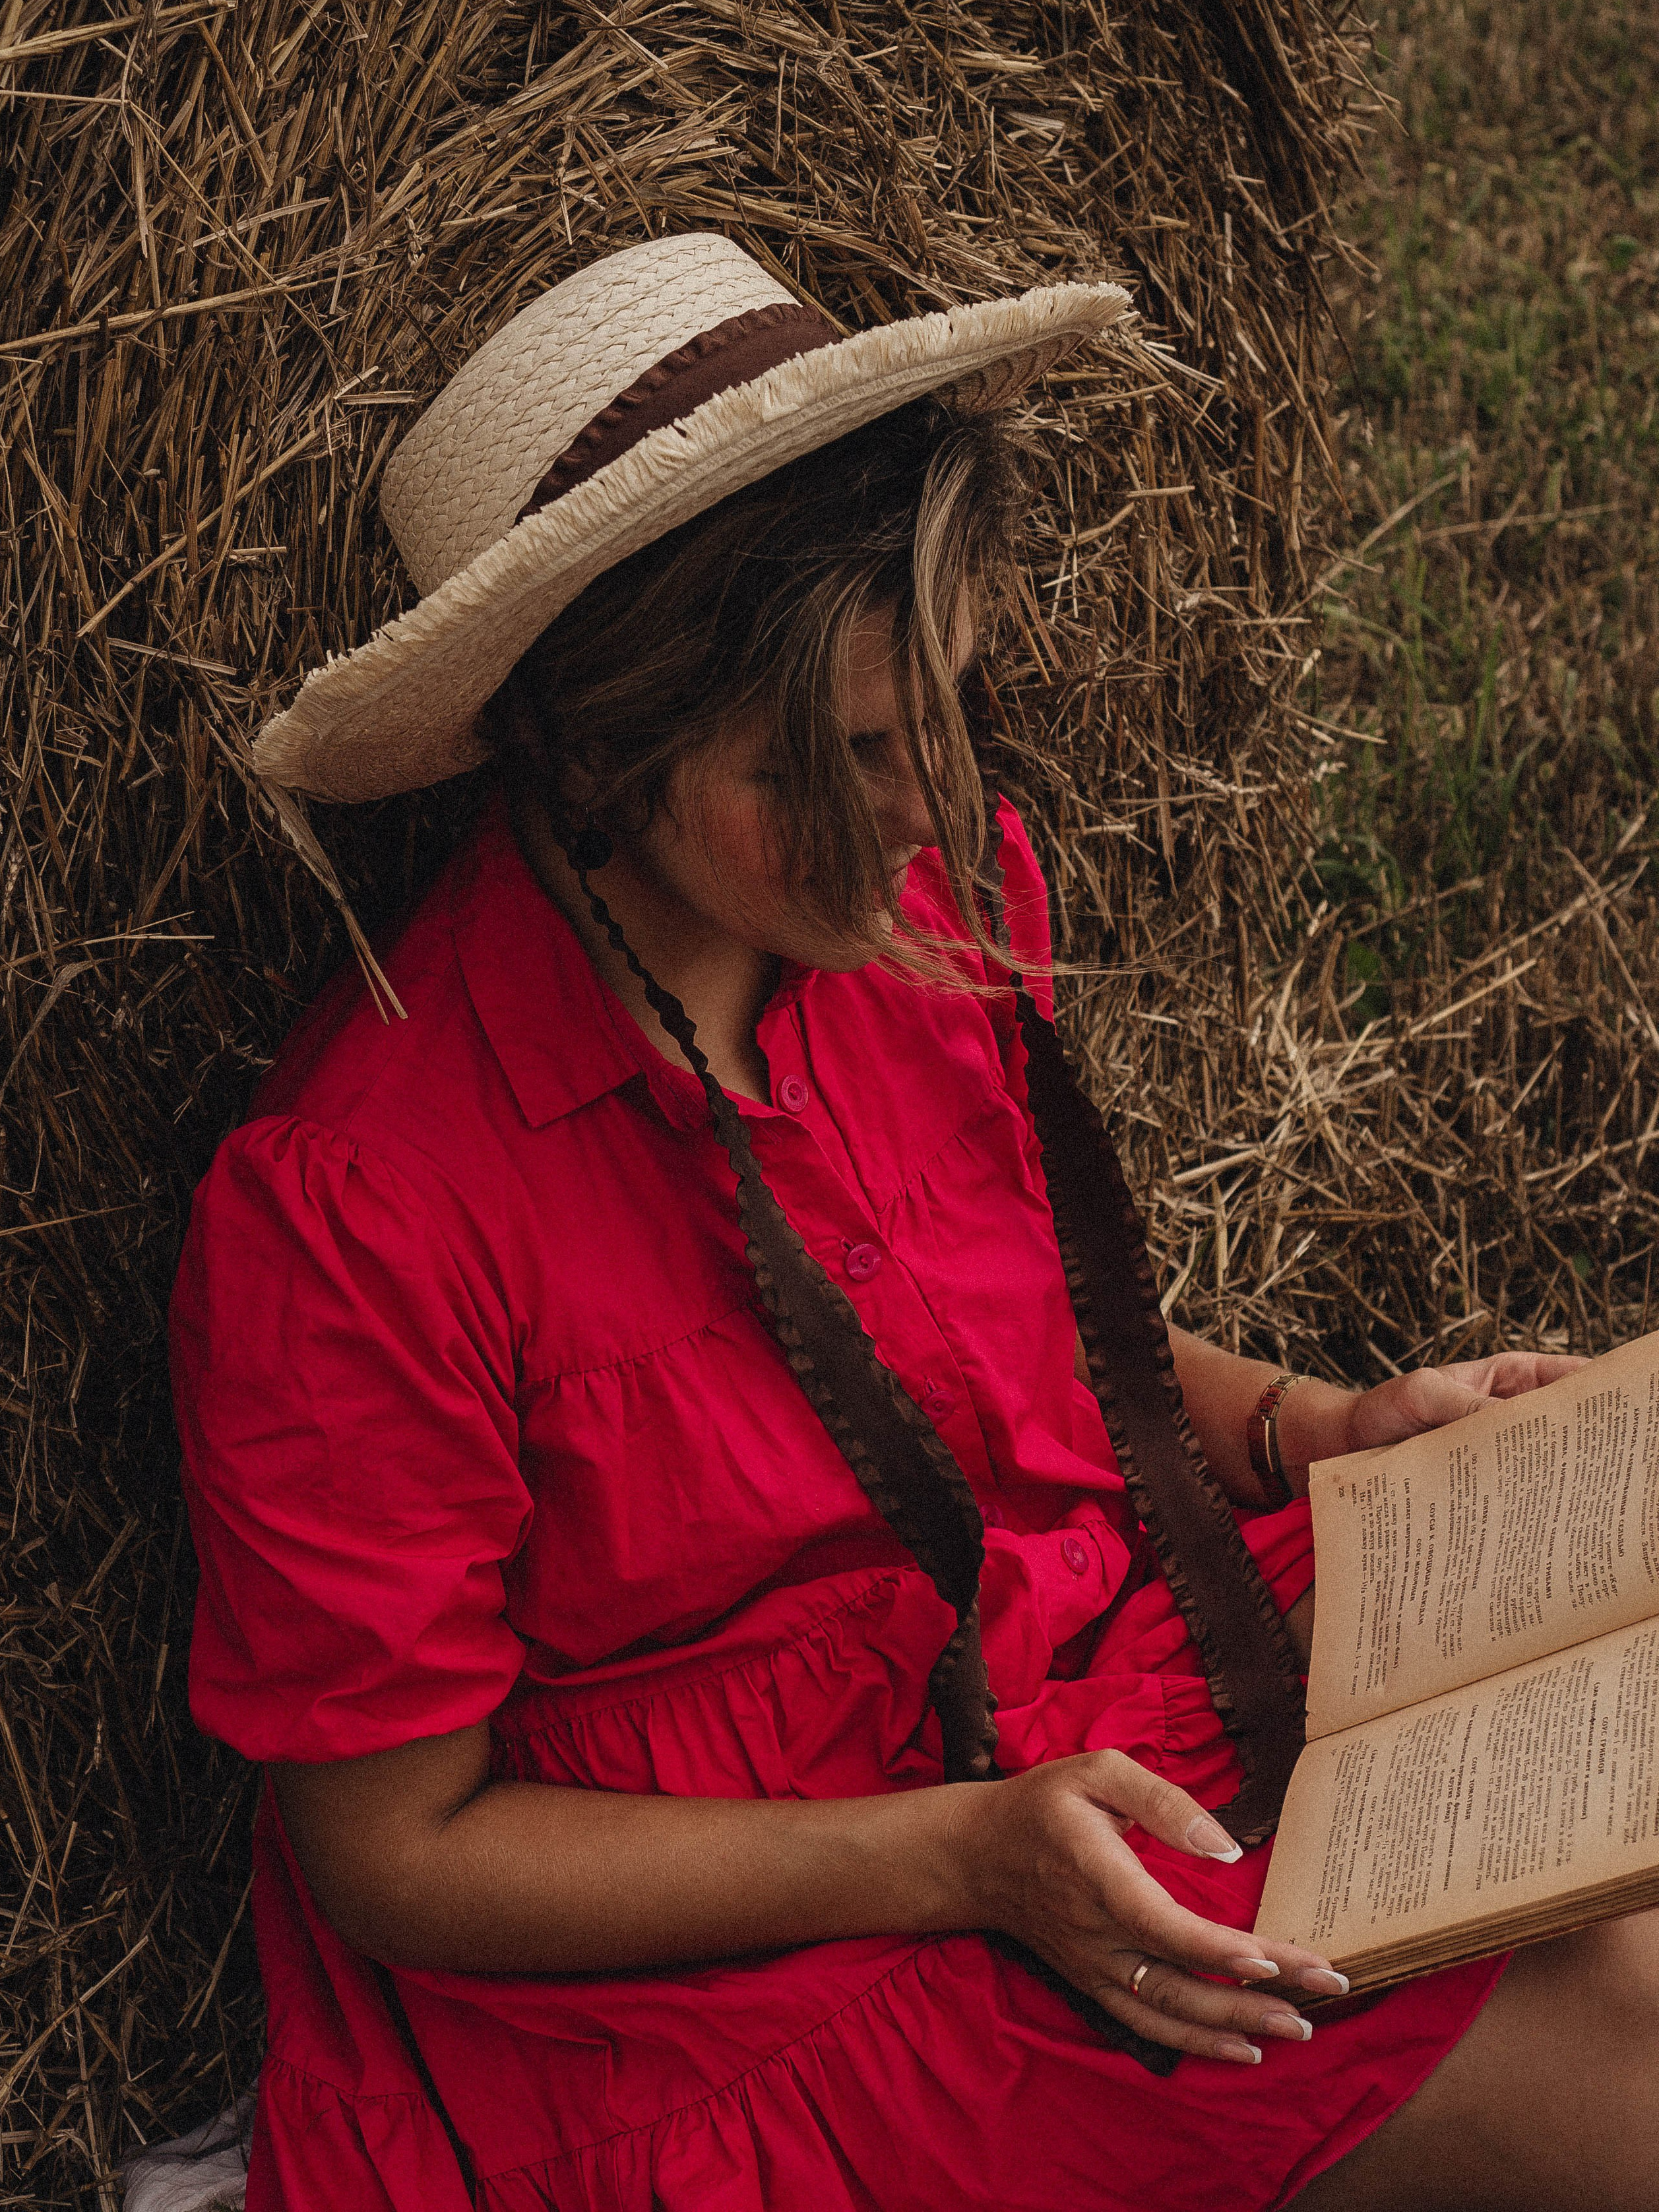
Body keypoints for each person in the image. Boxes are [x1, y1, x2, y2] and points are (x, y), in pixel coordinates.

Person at [171, 234, 1658, 2212]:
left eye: (941, 714)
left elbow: (1033, 1344)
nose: (924, 811)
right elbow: (401, 1849)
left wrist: (1316, 1424)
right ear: (598, 746)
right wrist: (964, 1852)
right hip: (747, 1959)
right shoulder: (363, 1208)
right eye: (840, 758)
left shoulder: (930, 913)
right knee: (1619, 2011)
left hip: (1083, 1676)